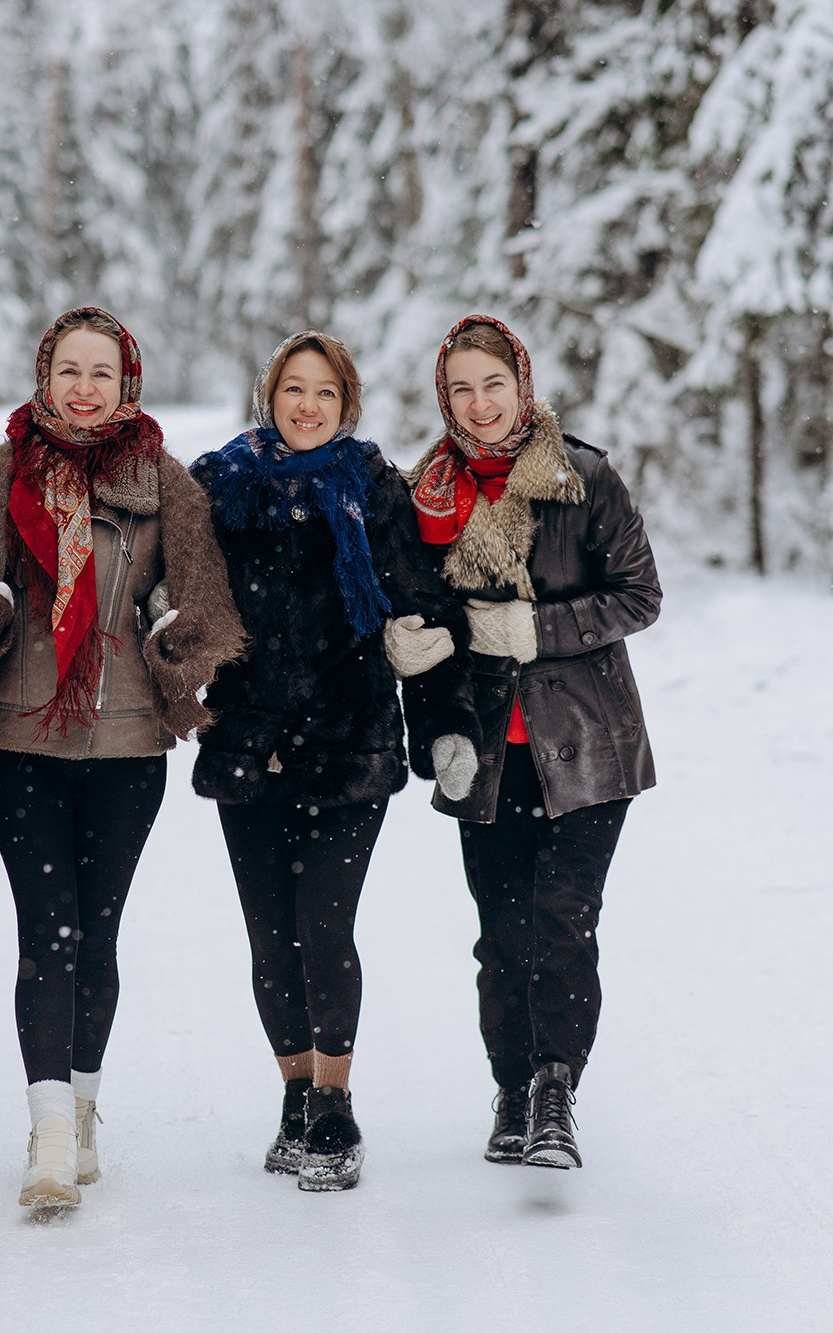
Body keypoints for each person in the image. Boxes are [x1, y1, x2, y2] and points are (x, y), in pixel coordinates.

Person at [0, 306, 244, 1213]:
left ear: (126, 384)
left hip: (130, 739)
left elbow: (203, 596)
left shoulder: (165, 481)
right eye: (69, 370)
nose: (85, 387)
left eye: (102, 372)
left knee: (95, 932)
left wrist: (178, 626)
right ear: (44, 376)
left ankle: (84, 1104)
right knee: (44, 931)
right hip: (22, 732)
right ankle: (48, 1128)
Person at [188, 330, 481, 1192]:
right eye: (293, 390)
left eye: (324, 392)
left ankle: (335, 1102)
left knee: (323, 925)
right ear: (267, 397)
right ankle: (292, 1091)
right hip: (248, 741)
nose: (307, 406)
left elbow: (424, 614)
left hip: (348, 742)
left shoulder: (373, 490)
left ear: (345, 403)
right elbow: (179, 594)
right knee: (268, 937)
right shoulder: (220, 487)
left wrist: (442, 709)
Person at [404, 313, 661, 1169]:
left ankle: (555, 1094)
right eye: (461, 389)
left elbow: (638, 595)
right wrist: (418, 670)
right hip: (484, 753)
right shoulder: (429, 494)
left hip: (588, 745)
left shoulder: (580, 477)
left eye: (493, 384)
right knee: (501, 933)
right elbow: (425, 618)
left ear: (522, 383)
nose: (480, 405)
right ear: (444, 397)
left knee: (561, 921)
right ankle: (510, 1092)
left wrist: (535, 629)